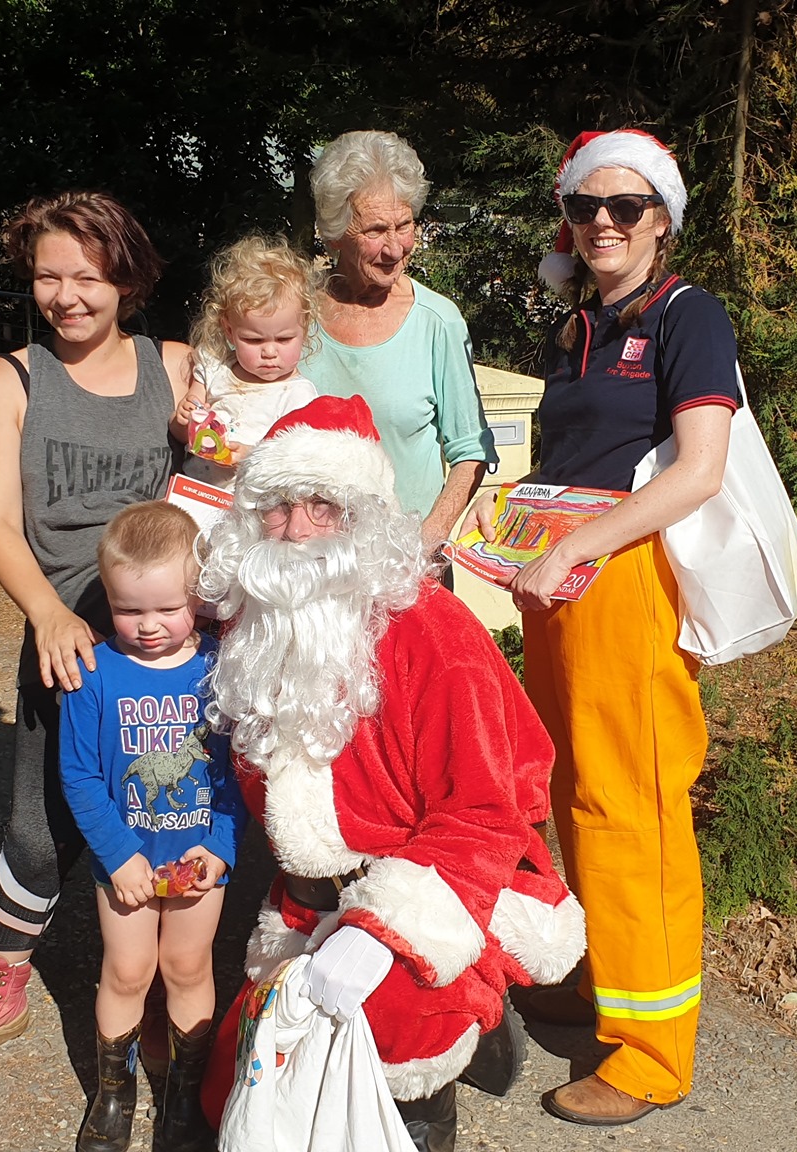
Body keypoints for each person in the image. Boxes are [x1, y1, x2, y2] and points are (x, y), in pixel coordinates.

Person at [194, 395, 586, 1152]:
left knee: (396, 1037)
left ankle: (440, 1079)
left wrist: (382, 934)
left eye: (323, 506)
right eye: (278, 508)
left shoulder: (433, 633)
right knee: (236, 1095)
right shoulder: (256, 619)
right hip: (309, 898)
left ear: (365, 520)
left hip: (439, 883)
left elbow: (488, 815)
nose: (297, 530)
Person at [0, 191, 197, 1089]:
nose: (66, 296)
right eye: (47, 277)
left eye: (87, 277)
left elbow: (237, 460)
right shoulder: (5, 384)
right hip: (73, 640)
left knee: (177, 804)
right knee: (42, 823)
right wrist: (48, 613)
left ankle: (169, 987)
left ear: (127, 280)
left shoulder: (177, 368)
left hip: (173, 639)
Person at [469, 129, 739, 1126]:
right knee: (567, 786)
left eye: (626, 206)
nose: (603, 223)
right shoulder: (577, 325)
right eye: (586, 206)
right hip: (563, 585)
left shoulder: (687, 314)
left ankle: (651, 1052)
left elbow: (698, 470)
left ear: (662, 221)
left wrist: (575, 550)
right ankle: (598, 977)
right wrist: (512, 532)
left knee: (633, 805)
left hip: (628, 583)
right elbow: (571, 467)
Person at [58, 501, 240, 1152]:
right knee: (129, 970)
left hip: (197, 856)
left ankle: (185, 1100)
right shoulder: (92, 673)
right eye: (129, 609)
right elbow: (80, 776)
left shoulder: (220, 670)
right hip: (126, 861)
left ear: (199, 594)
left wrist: (220, 846)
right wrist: (118, 855)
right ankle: (114, 1093)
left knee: (187, 966)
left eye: (168, 607)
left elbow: (237, 771)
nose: (150, 625)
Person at [300, 130, 498, 552]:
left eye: (405, 225)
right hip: (303, 560)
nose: (395, 248)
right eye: (375, 230)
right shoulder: (292, 315)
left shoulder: (437, 321)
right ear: (334, 234)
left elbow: (470, 451)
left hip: (408, 562)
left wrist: (426, 543)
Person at [170, 235, 321, 489]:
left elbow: (297, 458)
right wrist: (182, 420)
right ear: (229, 331)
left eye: (284, 339)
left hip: (251, 503)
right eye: (254, 340)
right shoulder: (215, 369)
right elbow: (182, 434)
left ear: (304, 330)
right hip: (196, 493)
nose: (270, 351)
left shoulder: (298, 395)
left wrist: (251, 455)